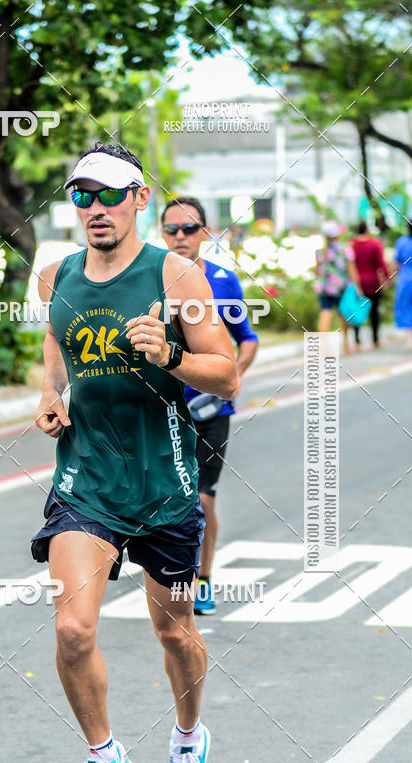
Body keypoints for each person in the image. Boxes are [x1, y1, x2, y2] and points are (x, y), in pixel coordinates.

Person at [31, 143, 239, 763]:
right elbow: (56, 352)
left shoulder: (174, 272)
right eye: (81, 195)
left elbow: (227, 373)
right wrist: (52, 395)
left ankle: (187, 740)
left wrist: (171, 356)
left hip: (164, 484)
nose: (95, 208)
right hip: (86, 480)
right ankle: (102, 756)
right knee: (71, 627)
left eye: (109, 194)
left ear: (140, 198)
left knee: (173, 630)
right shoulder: (54, 274)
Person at [160, 197, 258, 614]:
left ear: (204, 232)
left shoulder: (223, 280)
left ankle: (202, 579)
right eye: (171, 229)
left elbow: (247, 338)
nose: (180, 236)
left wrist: (229, 377)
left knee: (203, 499)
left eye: (189, 228)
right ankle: (165, 572)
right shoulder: (150, 278)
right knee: (164, 496)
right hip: (161, 410)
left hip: (209, 411)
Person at [315, 220, 360, 353]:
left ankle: (325, 349)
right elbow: (352, 270)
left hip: (324, 289)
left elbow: (317, 271)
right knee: (344, 317)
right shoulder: (345, 249)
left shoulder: (320, 251)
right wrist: (358, 287)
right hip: (341, 288)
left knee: (324, 317)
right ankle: (346, 344)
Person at [350, 221, 389, 347]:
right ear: (367, 230)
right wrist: (387, 277)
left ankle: (357, 340)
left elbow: (349, 264)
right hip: (373, 283)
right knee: (374, 311)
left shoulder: (352, 245)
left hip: (357, 283)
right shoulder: (375, 244)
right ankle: (375, 339)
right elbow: (381, 264)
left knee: (357, 310)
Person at [393, 220, 412, 349]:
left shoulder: (401, 242)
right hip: (405, 278)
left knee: (405, 308)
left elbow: (396, 263)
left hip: (405, 279)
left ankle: (409, 340)